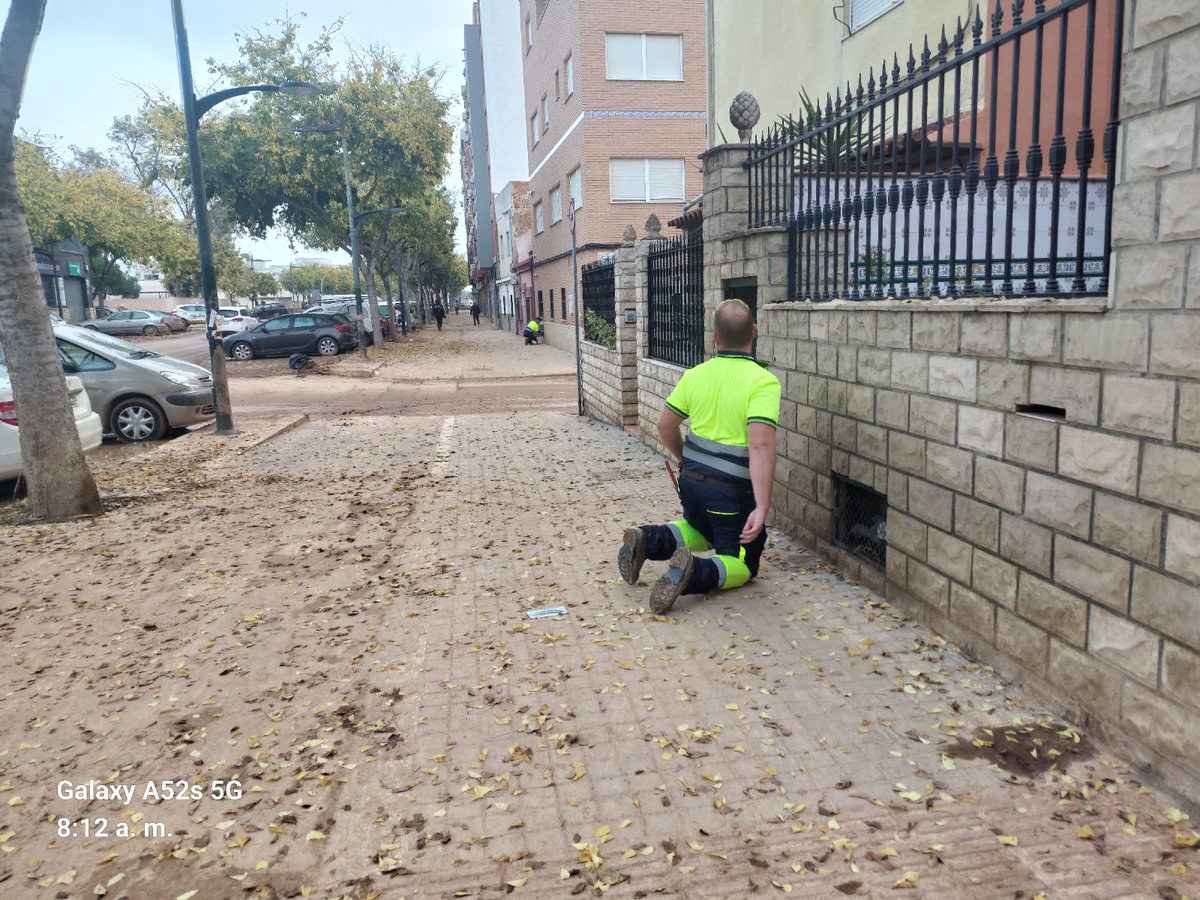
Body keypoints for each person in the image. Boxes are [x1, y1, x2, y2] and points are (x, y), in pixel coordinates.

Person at [618, 299, 780, 615]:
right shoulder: (763, 381)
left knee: (703, 530)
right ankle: (695, 573)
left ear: (715, 338)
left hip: (691, 482)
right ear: (755, 333)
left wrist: (681, 458)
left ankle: (648, 540)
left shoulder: (695, 375)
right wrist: (761, 506)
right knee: (744, 562)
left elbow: (665, 424)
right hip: (731, 494)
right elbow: (760, 446)